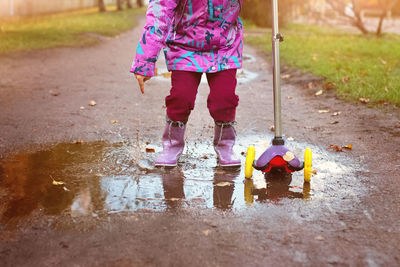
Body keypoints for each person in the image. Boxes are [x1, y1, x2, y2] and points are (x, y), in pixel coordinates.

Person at [131, 0, 244, 167]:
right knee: (181, 98)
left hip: (224, 47)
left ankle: (225, 144)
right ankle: (172, 145)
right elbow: (159, 15)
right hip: (184, 47)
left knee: (224, 98)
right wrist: (145, 61)